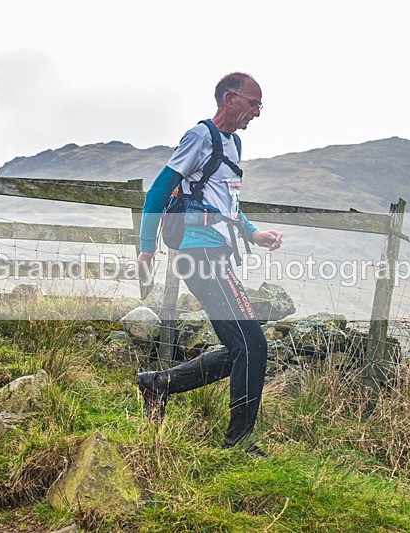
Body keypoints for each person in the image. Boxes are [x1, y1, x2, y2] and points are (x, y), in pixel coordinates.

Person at [135, 72, 283, 455]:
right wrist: (146, 248)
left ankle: (158, 384)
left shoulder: (233, 144)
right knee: (253, 346)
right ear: (230, 98)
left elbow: (227, 204)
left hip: (216, 251)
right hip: (196, 254)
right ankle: (239, 443)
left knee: (242, 347)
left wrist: (253, 234)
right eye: (254, 104)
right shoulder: (200, 136)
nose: (257, 113)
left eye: (260, 106)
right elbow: (157, 192)